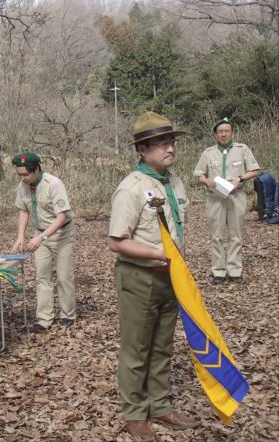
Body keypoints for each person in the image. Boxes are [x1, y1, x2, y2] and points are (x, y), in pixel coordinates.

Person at [108, 111, 198, 441]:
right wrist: (159, 255)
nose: (170, 148)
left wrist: (175, 260)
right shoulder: (131, 188)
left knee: (163, 346)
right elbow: (116, 242)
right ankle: (134, 413)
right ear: (142, 150)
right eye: (161, 143)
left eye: (171, 141)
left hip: (171, 277)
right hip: (140, 278)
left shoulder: (174, 182)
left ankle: (159, 404)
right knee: (137, 349)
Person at [10, 152, 75, 332]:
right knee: (42, 277)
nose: (22, 178)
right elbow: (23, 211)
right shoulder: (23, 186)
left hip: (61, 233)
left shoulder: (53, 184)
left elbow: (61, 217)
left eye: (26, 174)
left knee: (63, 277)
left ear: (36, 169)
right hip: (40, 234)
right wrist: (21, 236)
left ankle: (68, 315)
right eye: (19, 175)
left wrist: (42, 237)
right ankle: (44, 318)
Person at [193, 118, 260, 284]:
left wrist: (240, 178)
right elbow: (198, 174)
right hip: (215, 197)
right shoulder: (208, 153)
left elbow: (255, 170)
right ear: (215, 135)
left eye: (227, 131)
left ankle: (235, 270)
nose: (224, 134)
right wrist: (206, 181)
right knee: (217, 236)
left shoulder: (242, 149)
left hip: (236, 196)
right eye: (220, 132)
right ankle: (218, 271)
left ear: (232, 133)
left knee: (236, 234)